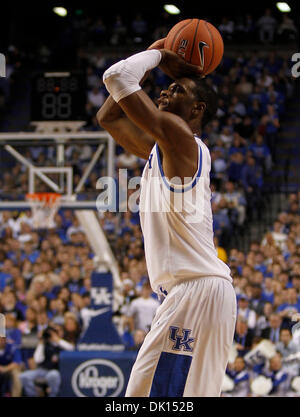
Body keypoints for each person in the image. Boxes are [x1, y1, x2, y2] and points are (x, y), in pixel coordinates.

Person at [97, 38, 237, 397]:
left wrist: (158, 51)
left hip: (196, 291)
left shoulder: (181, 138)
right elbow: (108, 116)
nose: (165, 91)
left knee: (147, 398)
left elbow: (117, 75)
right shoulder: (168, 148)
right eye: (167, 86)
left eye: (177, 90)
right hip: (202, 292)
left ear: (196, 109)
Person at [20, 324, 74, 397]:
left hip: (55, 371)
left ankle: (52, 395)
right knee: (24, 376)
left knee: (53, 375)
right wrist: (41, 342)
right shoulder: (45, 344)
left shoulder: (62, 343)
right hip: (42, 370)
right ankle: (33, 395)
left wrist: (57, 340)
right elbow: (37, 359)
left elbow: (72, 349)